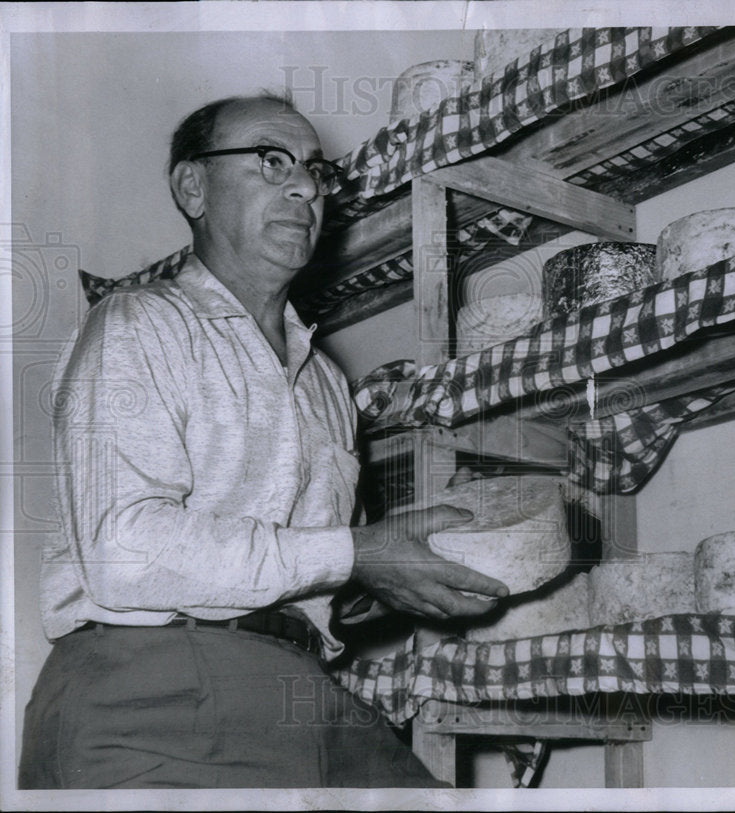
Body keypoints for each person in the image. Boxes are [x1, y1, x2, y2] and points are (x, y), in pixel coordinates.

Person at [19, 93, 508, 789]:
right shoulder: (137, 323)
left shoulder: (327, 383)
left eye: (315, 170)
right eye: (270, 161)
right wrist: (358, 551)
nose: (305, 186)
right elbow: (124, 550)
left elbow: (317, 572)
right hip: (153, 694)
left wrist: (414, 564)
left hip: (305, 689)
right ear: (193, 186)